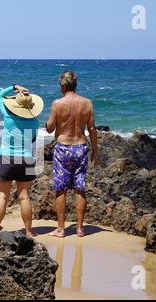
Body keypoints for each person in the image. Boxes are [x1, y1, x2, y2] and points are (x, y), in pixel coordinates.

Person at [46, 71, 99, 238]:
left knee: (61, 190)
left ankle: (61, 229)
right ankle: (80, 229)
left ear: (63, 86)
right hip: (81, 148)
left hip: (63, 148)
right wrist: (95, 151)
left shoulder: (57, 104)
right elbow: (92, 129)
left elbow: (50, 128)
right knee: (79, 188)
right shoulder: (87, 103)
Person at [0, 85, 44, 239]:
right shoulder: (34, 122)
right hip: (26, 158)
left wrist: (14, 87)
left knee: (2, 196)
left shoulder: (7, 117)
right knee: (24, 197)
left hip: (7, 157)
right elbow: (32, 139)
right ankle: (28, 231)